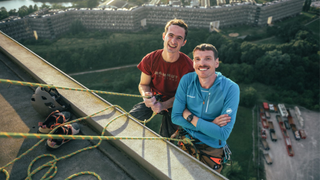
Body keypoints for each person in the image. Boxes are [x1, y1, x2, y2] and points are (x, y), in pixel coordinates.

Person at [171, 43, 240, 173]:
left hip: (211, 147)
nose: (202, 63)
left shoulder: (231, 88)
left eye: (207, 58)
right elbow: (175, 117)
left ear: (217, 63)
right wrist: (210, 125)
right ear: (193, 63)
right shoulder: (187, 80)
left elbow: (223, 133)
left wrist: (190, 117)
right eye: (197, 59)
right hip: (185, 138)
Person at [129, 19, 194, 138]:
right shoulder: (150, 59)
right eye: (171, 35)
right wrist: (146, 96)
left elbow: (183, 97)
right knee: (130, 120)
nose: (173, 41)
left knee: (167, 138)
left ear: (184, 42)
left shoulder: (189, 68)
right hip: (154, 99)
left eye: (179, 38)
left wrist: (163, 106)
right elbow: (143, 84)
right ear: (164, 36)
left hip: (176, 103)